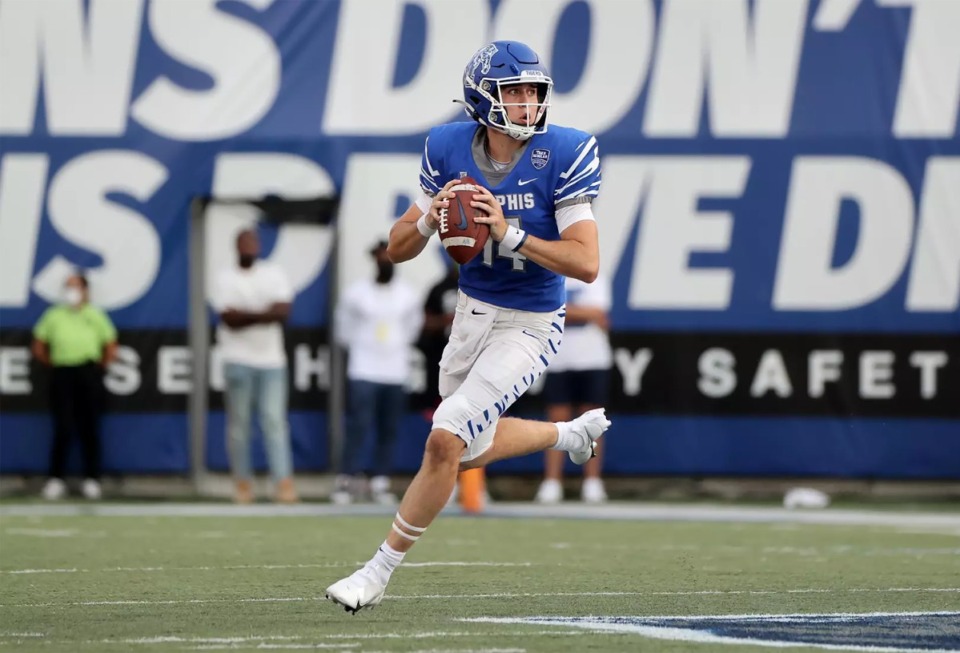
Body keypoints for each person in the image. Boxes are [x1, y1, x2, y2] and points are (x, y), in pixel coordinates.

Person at [325, 40, 611, 613]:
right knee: (463, 449)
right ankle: (568, 435)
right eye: (516, 91)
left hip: (530, 322)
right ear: (484, 97)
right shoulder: (448, 146)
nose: (529, 103)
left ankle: (376, 573)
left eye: (534, 91)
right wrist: (430, 217)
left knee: (444, 438)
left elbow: (585, 262)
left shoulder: (567, 151)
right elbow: (397, 247)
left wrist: (510, 234)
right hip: (471, 314)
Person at [332, 239, 423, 505]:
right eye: (381, 257)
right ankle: (346, 480)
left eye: (389, 257)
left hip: (395, 371)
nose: (385, 262)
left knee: (389, 428)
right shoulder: (356, 294)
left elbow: (412, 329)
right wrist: (366, 348)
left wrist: (393, 349)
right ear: (374, 259)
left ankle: (380, 481)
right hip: (364, 368)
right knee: (358, 425)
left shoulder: (408, 295)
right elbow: (343, 330)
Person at [214, 228, 298, 504]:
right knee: (239, 426)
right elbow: (228, 319)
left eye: (253, 242)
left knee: (274, 422)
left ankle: (283, 483)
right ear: (237, 246)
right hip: (237, 359)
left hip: (271, 360)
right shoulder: (225, 278)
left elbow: (283, 312)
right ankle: (242, 484)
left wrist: (247, 314)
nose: (249, 247)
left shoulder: (272, 273)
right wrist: (265, 313)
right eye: (244, 243)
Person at [32, 272, 117, 500]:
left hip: (88, 373)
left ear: (85, 290)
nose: (72, 291)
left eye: (76, 286)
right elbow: (39, 345)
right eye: (68, 286)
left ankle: (92, 479)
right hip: (62, 373)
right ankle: (56, 480)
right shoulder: (54, 315)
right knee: (63, 427)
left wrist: (98, 368)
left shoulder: (95, 315)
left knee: (89, 427)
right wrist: (53, 364)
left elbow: (110, 344)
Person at [535, 273, 614, 504]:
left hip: (593, 359)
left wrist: (563, 311)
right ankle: (552, 482)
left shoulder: (595, 279)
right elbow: (544, 312)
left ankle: (592, 482)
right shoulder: (548, 277)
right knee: (557, 422)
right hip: (557, 359)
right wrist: (582, 313)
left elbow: (598, 313)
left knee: (593, 422)